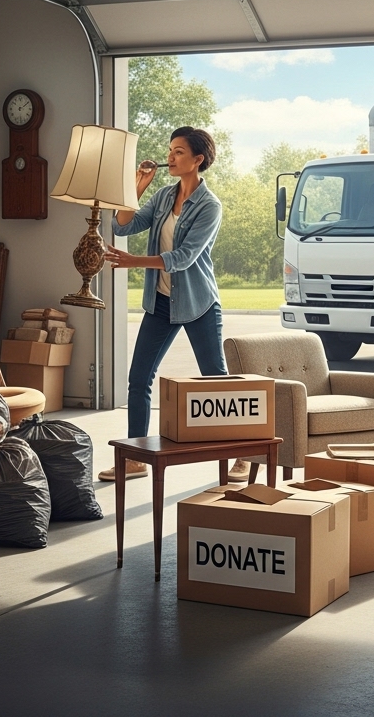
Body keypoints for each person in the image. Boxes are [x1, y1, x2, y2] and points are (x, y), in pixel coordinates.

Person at [98, 126, 239, 482]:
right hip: (161, 302)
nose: (171, 157)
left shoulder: (210, 206)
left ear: (197, 160)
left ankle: (243, 455)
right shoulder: (162, 195)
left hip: (198, 303)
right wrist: (138, 186)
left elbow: (184, 257)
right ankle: (133, 458)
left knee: (216, 382)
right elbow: (123, 226)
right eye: (170, 151)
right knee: (138, 379)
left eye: (178, 152)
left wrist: (134, 263)